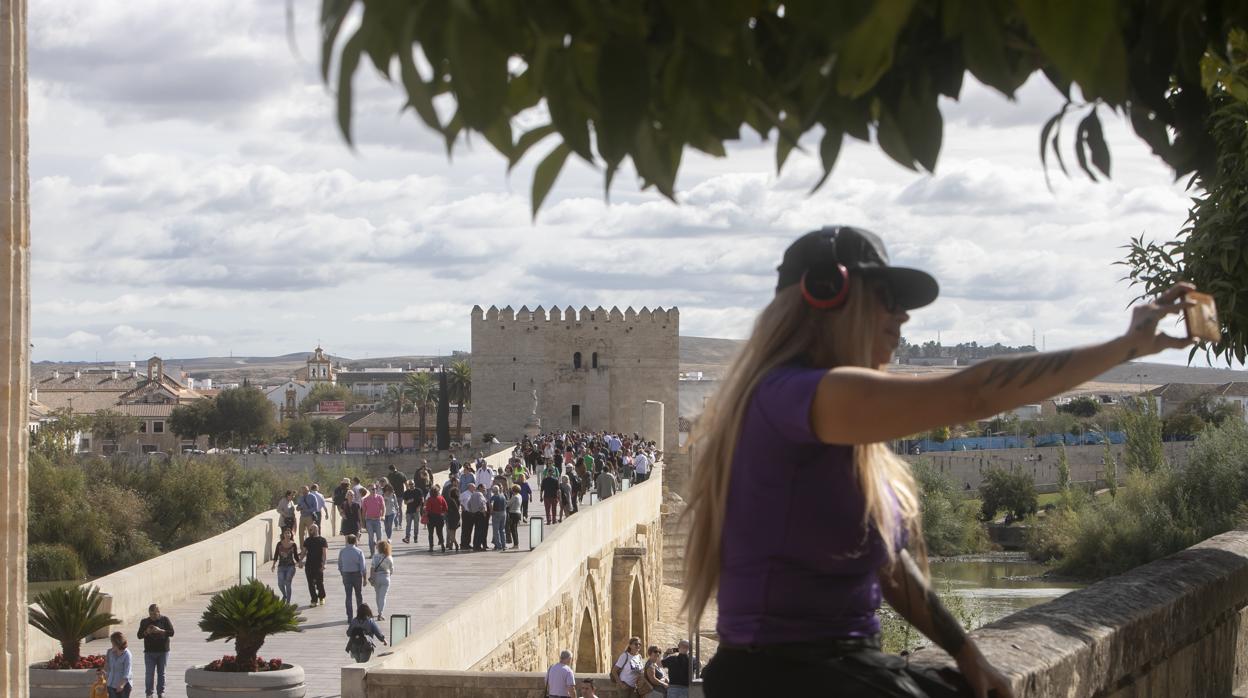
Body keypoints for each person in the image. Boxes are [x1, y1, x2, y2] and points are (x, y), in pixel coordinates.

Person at [684, 228, 1196, 697]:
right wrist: (1125, 346)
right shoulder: (790, 398)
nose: (903, 317)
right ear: (826, 295)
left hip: (837, 669)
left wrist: (967, 654)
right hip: (786, 679)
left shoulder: (835, 422)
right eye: (887, 300)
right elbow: (971, 394)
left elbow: (890, 568)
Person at [136, 605, 173, 698]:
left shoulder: (164, 620)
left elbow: (172, 632)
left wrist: (161, 631)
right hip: (149, 652)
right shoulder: (145, 622)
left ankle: (160, 692)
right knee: (149, 674)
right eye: (151, 614)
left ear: (159, 612)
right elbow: (139, 635)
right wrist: (147, 632)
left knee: (161, 673)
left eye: (155, 614)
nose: (152, 616)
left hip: (163, 651)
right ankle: (149, 693)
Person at [337, 534, 367, 622]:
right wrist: (364, 578)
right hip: (357, 575)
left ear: (347, 541)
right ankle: (360, 616)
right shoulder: (359, 551)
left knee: (348, 596)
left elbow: (340, 564)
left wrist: (342, 574)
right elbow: (363, 567)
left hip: (346, 574)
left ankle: (349, 617)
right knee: (358, 595)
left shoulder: (342, 551)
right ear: (355, 541)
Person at [271, 528, 301, 604]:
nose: (287, 534)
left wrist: (299, 562)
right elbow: (276, 555)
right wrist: (273, 565)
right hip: (281, 566)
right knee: (280, 583)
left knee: (288, 583)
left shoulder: (293, 544)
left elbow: (296, 556)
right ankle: (285, 595)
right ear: (283, 535)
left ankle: (288, 602)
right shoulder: (279, 544)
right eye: (286, 533)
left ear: (291, 535)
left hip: (290, 567)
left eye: (289, 533)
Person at [303, 523, 329, 607]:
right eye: (310, 529)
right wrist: (300, 560)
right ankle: (314, 600)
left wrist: (324, 564)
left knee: (319, 582)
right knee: (310, 583)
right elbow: (304, 551)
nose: (310, 531)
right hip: (309, 564)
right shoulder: (307, 540)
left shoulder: (322, 540)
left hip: (318, 564)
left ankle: (321, 597)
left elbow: (324, 553)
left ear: (316, 529)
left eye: (312, 529)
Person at [368, 540, 394, 620]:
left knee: (378, 595)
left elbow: (372, 567)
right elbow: (392, 570)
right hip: (385, 577)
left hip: (376, 578)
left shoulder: (375, 556)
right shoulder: (389, 557)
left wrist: (371, 577)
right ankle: (380, 613)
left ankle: (379, 610)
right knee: (383, 596)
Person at [360, 484, 386, 556]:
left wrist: (383, 516)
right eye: (372, 489)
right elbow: (363, 512)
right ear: (369, 490)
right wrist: (362, 522)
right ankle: (372, 553)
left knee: (379, 538)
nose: (374, 490)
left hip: (378, 520)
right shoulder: (365, 500)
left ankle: (380, 553)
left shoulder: (380, 497)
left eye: (375, 489)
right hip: (369, 520)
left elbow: (383, 507)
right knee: (371, 538)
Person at [105, 631, 132, 698]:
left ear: (117, 643)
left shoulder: (127, 654)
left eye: (113, 643)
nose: (112, 645)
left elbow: (127, 671)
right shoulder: (110, 652)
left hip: (123, 686)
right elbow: (108, 668)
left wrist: (122, 685)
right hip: (111, 684)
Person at [425, 484, 448, 552]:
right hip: (440, 517)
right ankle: (442, 545)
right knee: (439, 532)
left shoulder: (430, 499)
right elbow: (446, 507)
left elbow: (428, 509)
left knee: (430, 533)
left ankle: (431, 547)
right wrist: (443, 513)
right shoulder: (441, 498)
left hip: (431, 517)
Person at [402, 479, 423, 544]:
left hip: (416, 510)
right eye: (410, 484)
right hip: (409, 511)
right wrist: (409, 501)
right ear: (408, 485)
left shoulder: (418, 491)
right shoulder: (406, 492)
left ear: (414, 484)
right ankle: (407, 538)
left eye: (412, 484)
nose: (411, 485)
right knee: (408, 525)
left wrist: (419, 507)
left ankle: (415, 537)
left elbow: (422, 500)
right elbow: (405, 502)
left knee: (416, 525)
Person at [489, 486, 508, 551]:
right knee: (502, 530)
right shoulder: (503, 496)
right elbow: (506, 504)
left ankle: (498, 545)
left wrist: (491, 511)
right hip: (503, 513)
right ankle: (504, 545)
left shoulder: (493, 497)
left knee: (496, 531)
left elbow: (491, 504)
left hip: (496, 513)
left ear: (493, 491)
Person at [444, 483, 461, 551]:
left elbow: (447, 509)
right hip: (456, 516)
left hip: (451, 517)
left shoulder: (449, 500)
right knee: (453, 532)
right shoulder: (457, 500)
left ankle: (456, 544)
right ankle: (451, 545)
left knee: (451, 532)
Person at [506, 484, 523, 549]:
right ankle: (516, 544)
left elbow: (508, 504)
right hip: (518, 513)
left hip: (513, 513)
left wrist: (505, 501)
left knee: (513, 530)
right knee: (515, 529)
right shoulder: (520, 496)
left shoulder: (514, 497)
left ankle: (516, 544)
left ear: (513, 490)